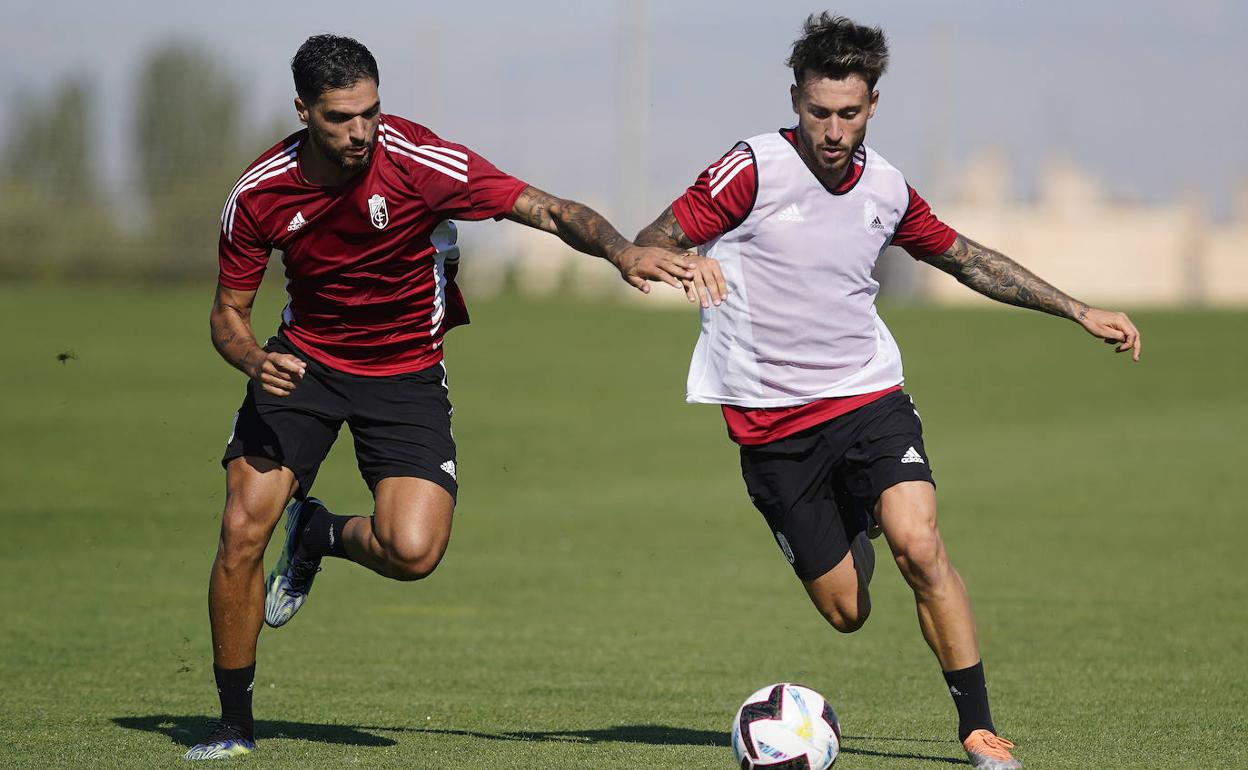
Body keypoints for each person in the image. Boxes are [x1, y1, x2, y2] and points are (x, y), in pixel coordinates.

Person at [635, 14, 1140, 770]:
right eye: (817, 112)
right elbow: (648, 243)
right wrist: (683, 264)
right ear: (795, 99)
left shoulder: (887, 189)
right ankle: (853, 520)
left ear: (872, 105)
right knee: (846, 611)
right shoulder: (750, 171)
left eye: (848, 113)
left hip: (867, 397)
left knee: (921, 543)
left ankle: (978, 729)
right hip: (771, 427)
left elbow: (967, 259)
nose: (832, 130)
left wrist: (1076, 308)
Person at [186, 34, 695, 761]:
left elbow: (546, 209)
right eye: (339, 117)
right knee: (241, 529)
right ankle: (234, 723)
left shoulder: (420, 161)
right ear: (303, 110)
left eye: (371, 110)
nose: (361, 130)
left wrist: (621, 250)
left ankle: (320, 535)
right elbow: (226, 314)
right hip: (304, 363)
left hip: (406, 372)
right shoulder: (259, 192)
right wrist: (252, 359)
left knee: (413, 550)